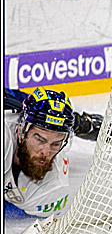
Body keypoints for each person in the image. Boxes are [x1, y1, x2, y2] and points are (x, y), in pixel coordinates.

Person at [3, 87, 100, 218]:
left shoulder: (53, 187)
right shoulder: (5, 137)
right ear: (21, 131)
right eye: (39, 139)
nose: (46, 152)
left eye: (56, 144)